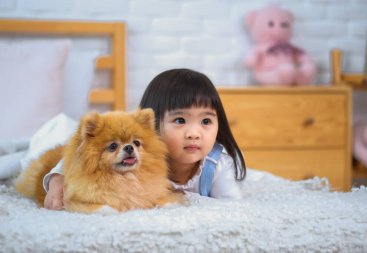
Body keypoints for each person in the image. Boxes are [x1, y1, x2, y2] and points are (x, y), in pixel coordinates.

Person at [43, 68, 246, 210]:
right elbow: (76, 160)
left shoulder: (218, 166)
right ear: (154, 127)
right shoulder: (151, 153)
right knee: (48, 140)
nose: (194, 133)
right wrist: (56, 179)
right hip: (60, 138)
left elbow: (232, 208)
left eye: (206, 122)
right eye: (180, 120)